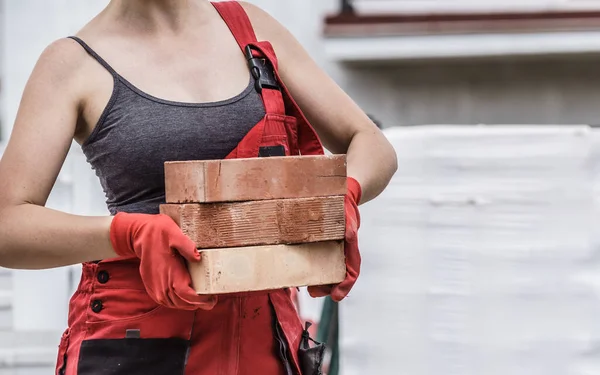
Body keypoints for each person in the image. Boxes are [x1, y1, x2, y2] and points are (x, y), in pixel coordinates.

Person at [0, 0, 397, 374]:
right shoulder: (71, 64)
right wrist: (127, 233)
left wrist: (343, 195)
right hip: (136, 346)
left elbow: (371, 143)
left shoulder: (250, 30)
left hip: (265, 342)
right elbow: (7, 224)